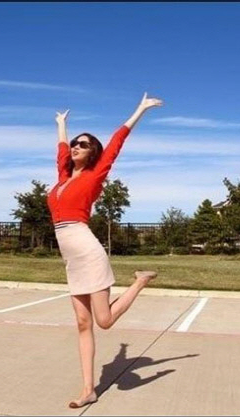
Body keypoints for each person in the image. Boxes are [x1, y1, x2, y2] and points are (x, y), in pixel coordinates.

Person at [46, 92, 164, 408]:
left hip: (87, 251)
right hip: (71, 259)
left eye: (83, 144)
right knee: (82, 324)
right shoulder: (62, 178)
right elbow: (60, 151)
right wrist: (61, 124)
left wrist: (140, 109)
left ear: (93, 152)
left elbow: (116, 142)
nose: (75, 146)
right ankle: (88, 389)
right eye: (75, 143)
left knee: (104, 321)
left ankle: (139, 281)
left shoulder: (96, 175)